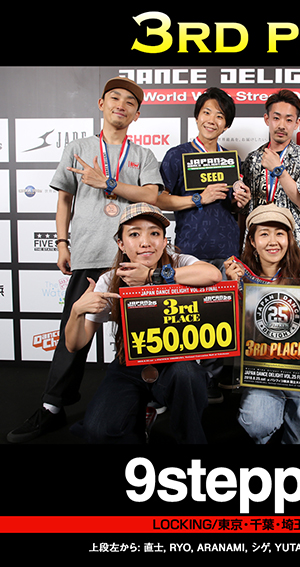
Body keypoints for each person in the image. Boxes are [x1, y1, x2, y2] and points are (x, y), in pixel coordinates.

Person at [7, 77, 163, 444]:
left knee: (146, 331)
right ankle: (51, 406)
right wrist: (62, 243)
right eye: (114, 98)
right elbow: (64, 199)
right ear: (101, 104)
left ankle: (149, 401)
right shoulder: (77, 148)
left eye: (130, 102)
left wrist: (106, 182)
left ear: (137, 115)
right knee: (74, 329)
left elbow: (152, 196)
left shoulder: (143, 155)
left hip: (134, 257)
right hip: (90, 253)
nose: (121, 105)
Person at [66, 203, 222, 444]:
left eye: (154, 233)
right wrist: (77, 312)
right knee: (98, 431)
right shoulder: (109, 279)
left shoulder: (180, 262)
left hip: (177, 364)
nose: (145, 242)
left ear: (164, 241)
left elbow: (213, 274)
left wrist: (152, 276)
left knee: (187, 374)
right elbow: (74, 344)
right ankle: (141, 420)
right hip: (130, 365)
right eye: (135, 234)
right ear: (121, 244)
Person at [158, 87, 251, 403]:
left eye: (220, 116)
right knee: (190, 316)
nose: (212, 120)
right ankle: (186, 378)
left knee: (221, 315)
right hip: (190, 248)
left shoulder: (232, 160)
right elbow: (161, 199)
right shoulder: (177, 155)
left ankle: (212, 377)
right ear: (197, 116)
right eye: (207, 112)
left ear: (226, 124)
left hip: (226, 248)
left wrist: (241, 201)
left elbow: (233, 207)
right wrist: (199, 198)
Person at [224, 203, 300, 444]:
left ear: (289, 239)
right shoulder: (238, 273)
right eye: (264, 234)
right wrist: (232, 288)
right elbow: (230, 328)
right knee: (257, 423)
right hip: (263, 367)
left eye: (280, 234)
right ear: (252, 241)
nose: (273, 241)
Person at [242, 89, 300, 243]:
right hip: (258, 243)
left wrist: (279, 170)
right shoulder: (253, 158)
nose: (282, 125)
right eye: (276, 118)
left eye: (289, 120)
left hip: (294, 242)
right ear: (267, 119)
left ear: (297, 123)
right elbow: (244, 211)